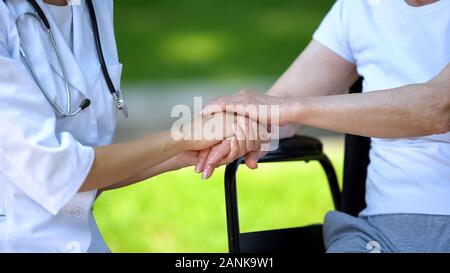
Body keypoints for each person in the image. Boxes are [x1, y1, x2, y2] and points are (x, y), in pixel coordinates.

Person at [0, 0, 261, 252]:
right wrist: (185, 136)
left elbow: (89, 163)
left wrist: (184, 153)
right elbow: (58, 171)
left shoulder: (95, 5)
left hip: (83, 240)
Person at [200, 0, 450, 252]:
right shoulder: (360, 7)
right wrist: (227, 131)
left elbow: (437, 109)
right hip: (376, 235)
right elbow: (278, 105)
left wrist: (291, 109)